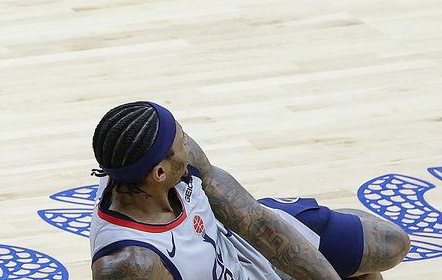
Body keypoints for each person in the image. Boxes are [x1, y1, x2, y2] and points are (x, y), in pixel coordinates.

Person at [90, 102, 410, 280]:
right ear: (160, 172)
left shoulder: (163, 163)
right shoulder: (132, 264)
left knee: (390, 245)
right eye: (181, 141)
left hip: (241, 244)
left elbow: (256, 222)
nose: (187, 141)